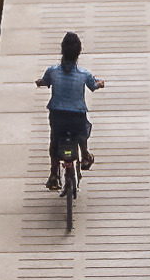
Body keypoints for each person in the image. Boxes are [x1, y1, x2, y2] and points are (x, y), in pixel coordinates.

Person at [27, 32, 101, 187]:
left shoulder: (52, 71)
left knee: (55, 140)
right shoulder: (84, 74)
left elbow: (45, 81)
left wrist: (40, 82)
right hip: (76, 117)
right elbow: (93, 86)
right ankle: (86, 155)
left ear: (62, 50)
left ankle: (54, 174)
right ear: (79, 52)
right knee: (82, 132)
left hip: (57, 116)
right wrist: (100, 83)